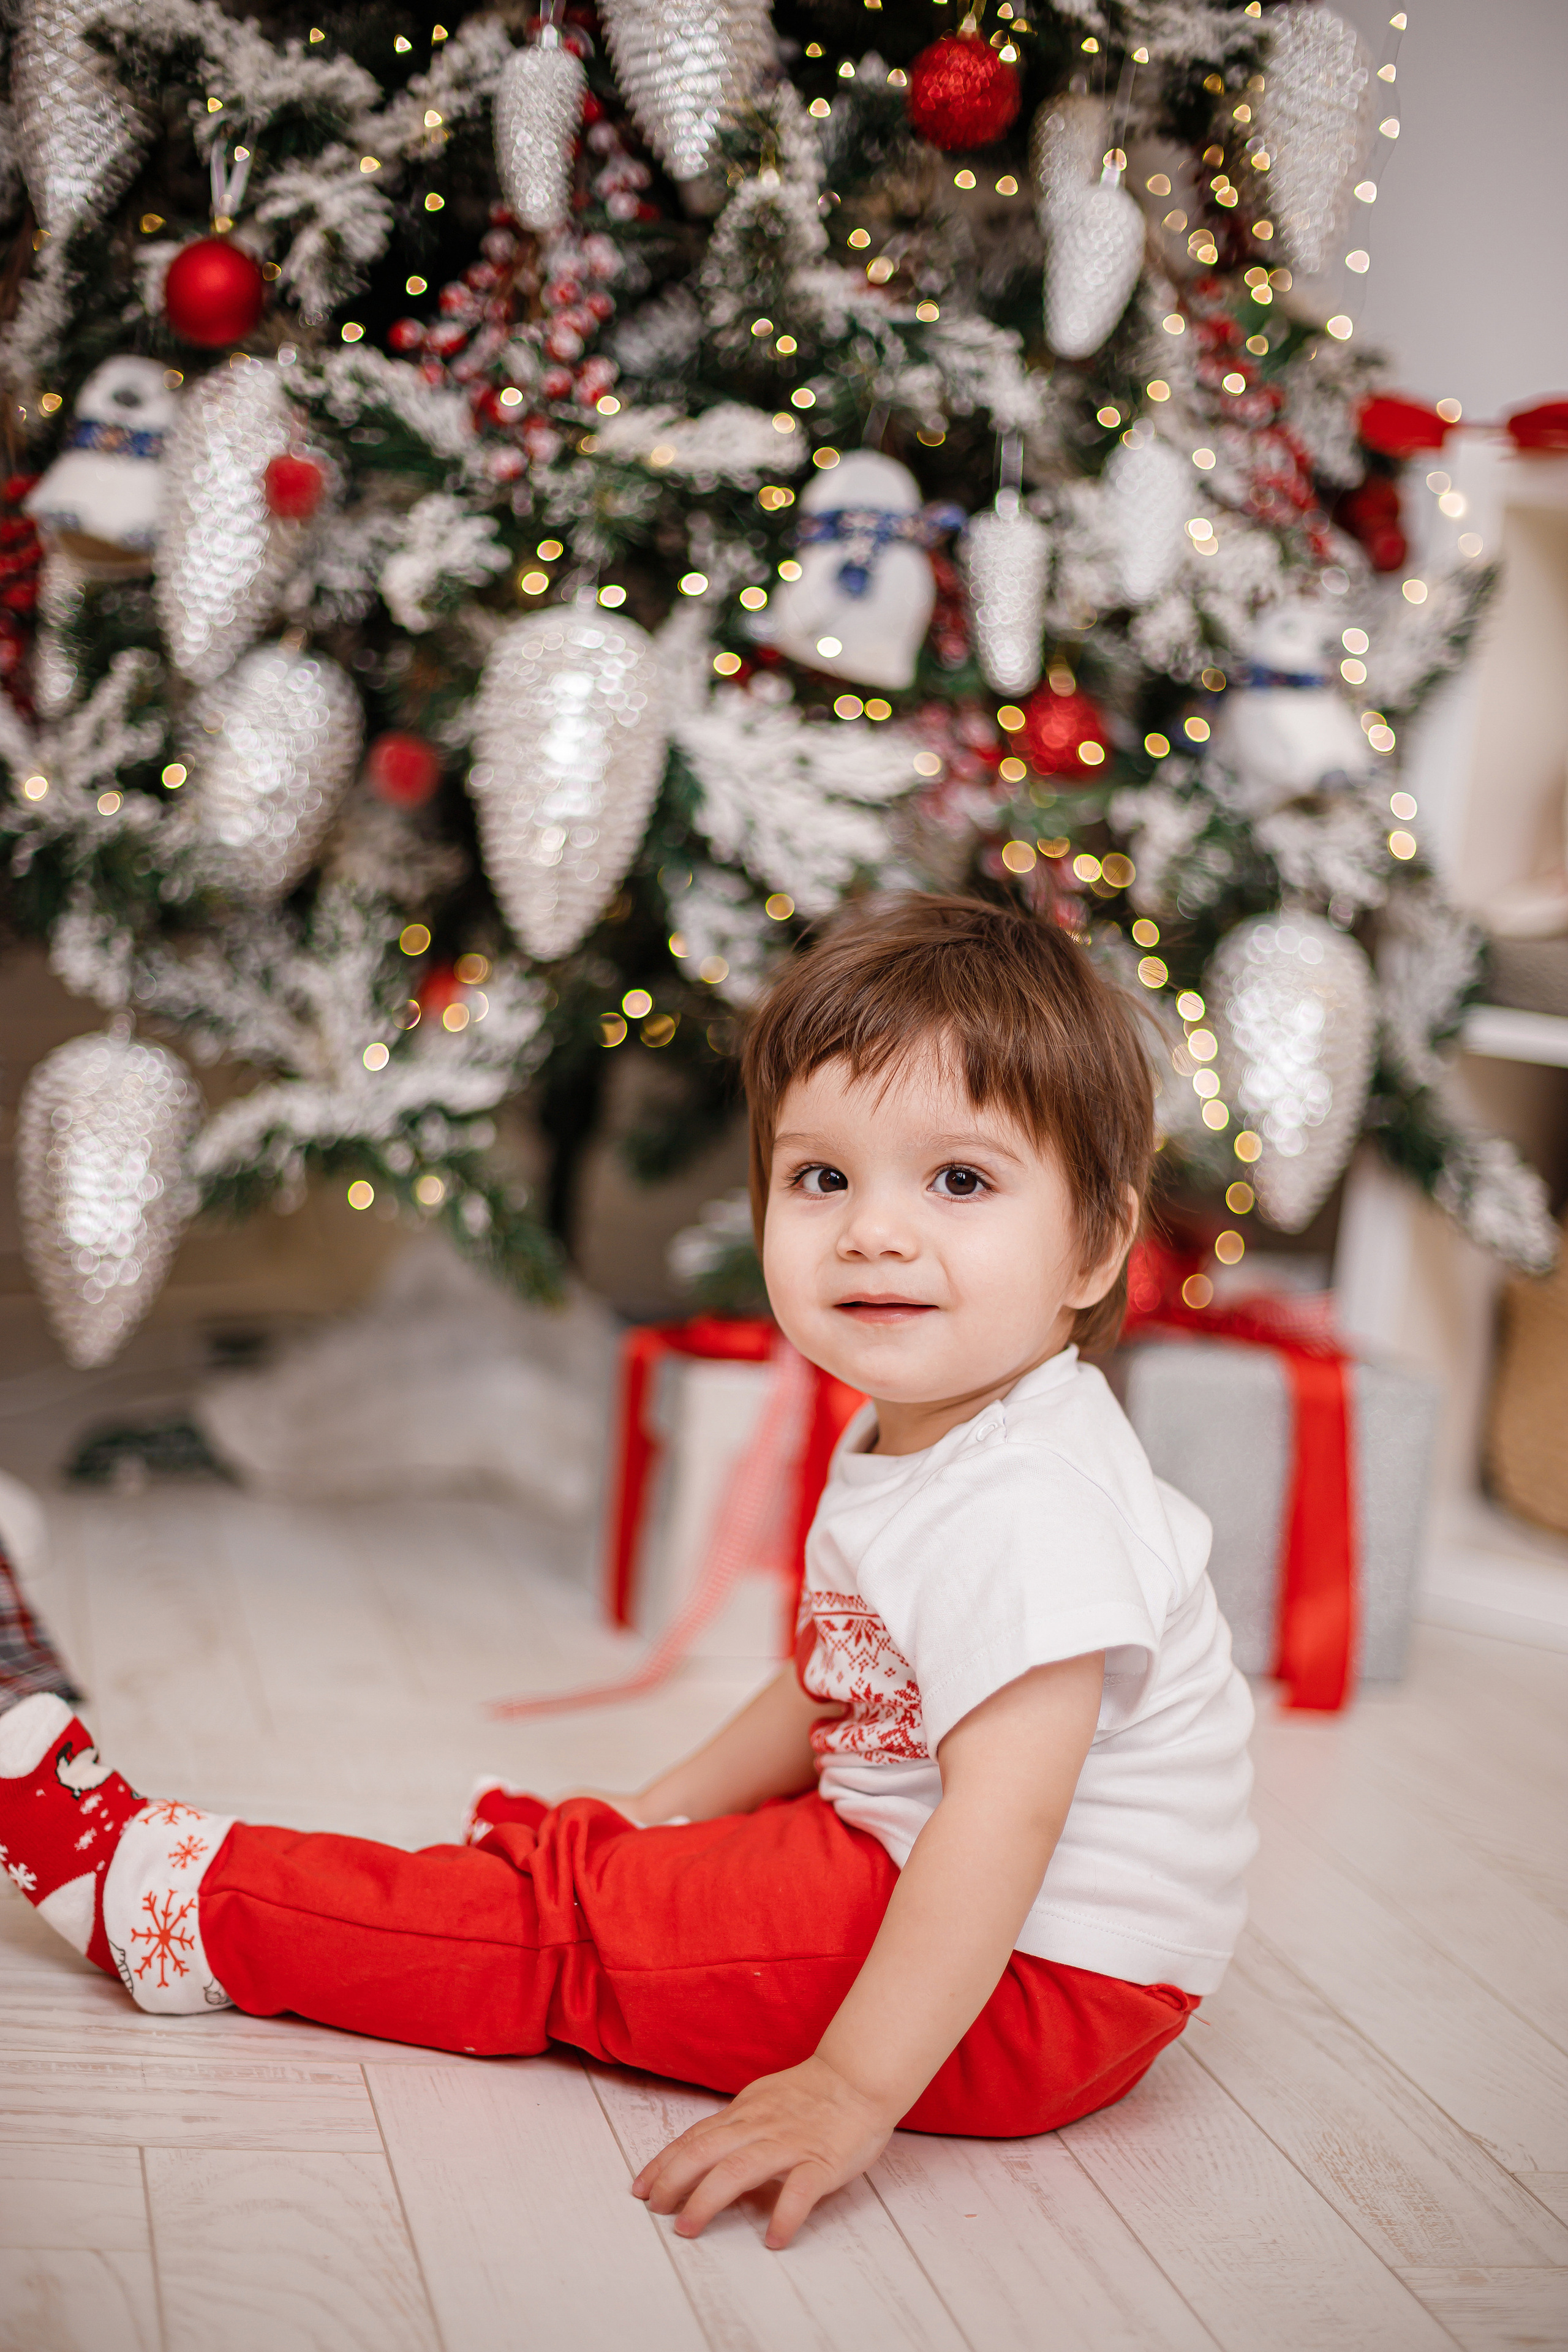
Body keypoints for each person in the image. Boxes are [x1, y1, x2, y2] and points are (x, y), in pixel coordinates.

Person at [0, 892, 1256, 2249]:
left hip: (1030, 1979)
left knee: (557, 1939)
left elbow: (997, 1828)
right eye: (821, 1177)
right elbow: (834, 1682)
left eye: (957, 1180)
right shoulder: (937, 1428)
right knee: (622, 1866)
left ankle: (170, 1897)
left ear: (1092, 1243)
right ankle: (559, 1870)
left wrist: (846, 2087)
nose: (872, 1233)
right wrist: (664, 1809)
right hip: (964, 1913)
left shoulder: (1030, 1505)